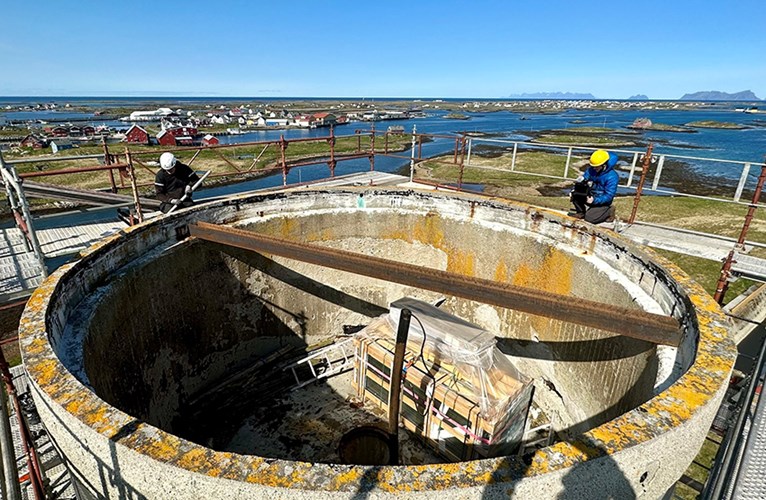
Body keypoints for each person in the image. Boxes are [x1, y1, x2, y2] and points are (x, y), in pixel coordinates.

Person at [568, 149, 619, 224]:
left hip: (602, 201)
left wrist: (594, 200)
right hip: (589, 195)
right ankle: (581, 212)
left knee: (590, 219)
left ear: (604, 165)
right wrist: (574, 190)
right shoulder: (591, 170)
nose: (594, 168)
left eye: (596, 167)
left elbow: (609, 195)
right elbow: (582, 181)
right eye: (593, 166)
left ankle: (609, 211)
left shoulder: (612, 177)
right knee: (575, 194)